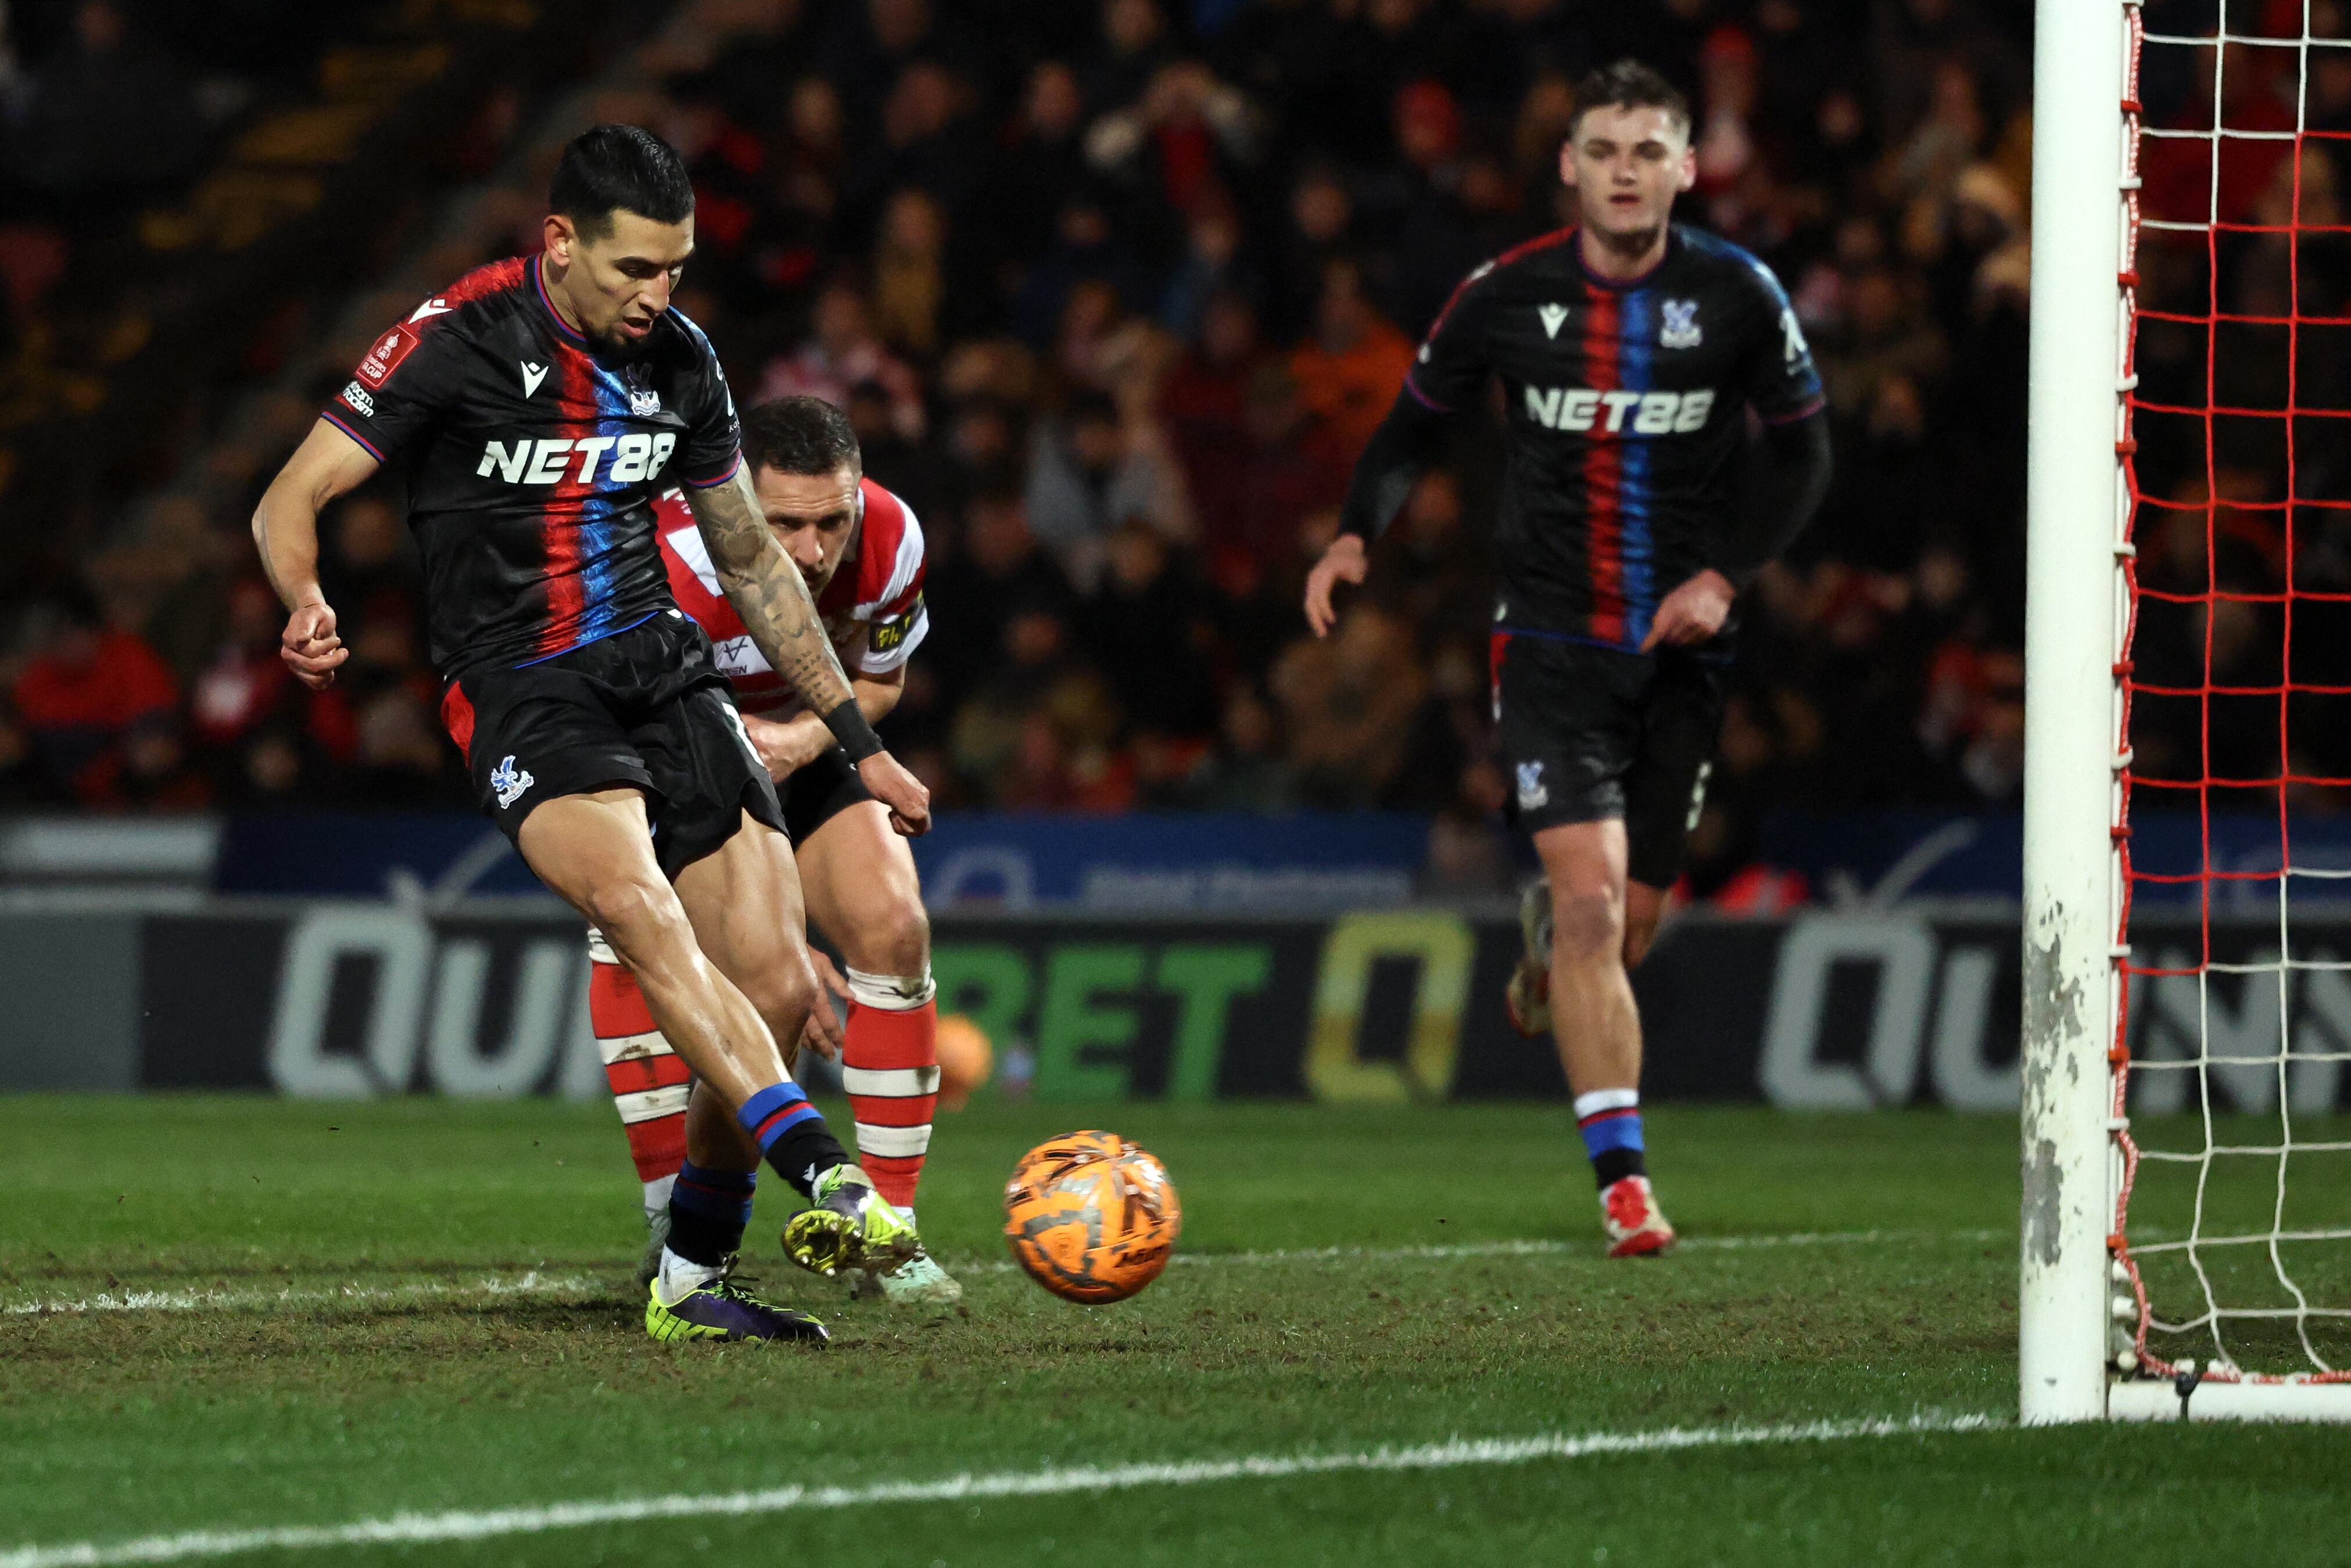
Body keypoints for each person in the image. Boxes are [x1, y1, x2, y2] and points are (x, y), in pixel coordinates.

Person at [249, 125, 936, 1344]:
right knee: (635, 906)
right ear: (559, 243)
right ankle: (831, 1178)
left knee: (776, 984)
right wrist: (305, 597)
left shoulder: (680, 358)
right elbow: (288, 499)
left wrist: (854, 736)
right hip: (522, 685)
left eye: (675, 269)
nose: (657, 297)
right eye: (633, 270)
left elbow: (751, 563)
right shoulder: (449, 341)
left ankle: (690, 1276)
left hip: (661, 671)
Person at [1302, 62, 1832, 1257]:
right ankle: (1625, 1186)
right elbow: (1408, 430)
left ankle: (1558, 951)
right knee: (1595, 910)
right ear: (1570, 167)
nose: (1626, 171)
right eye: (1604, 150)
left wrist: (1724, 576)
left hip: (1684, 651)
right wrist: (1350, 537)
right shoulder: (1505, 295)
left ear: (1686, 169)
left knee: (1622, 928)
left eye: (1649, 150)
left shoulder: (1738, 297)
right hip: (1548, 642)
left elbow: (1804, 458)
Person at [590, 394, 957, 1306]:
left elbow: (881, 681)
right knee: (636, 937)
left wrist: (800, 741)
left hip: (803, 740)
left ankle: (889, 1236)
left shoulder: (894, 539)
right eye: (782, 523)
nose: (809, 550)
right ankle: (669, 1219)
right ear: (735, 498)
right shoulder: (663, 557)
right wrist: (779, 938)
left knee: (895, 924)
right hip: (664, 756)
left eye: (832, 521)